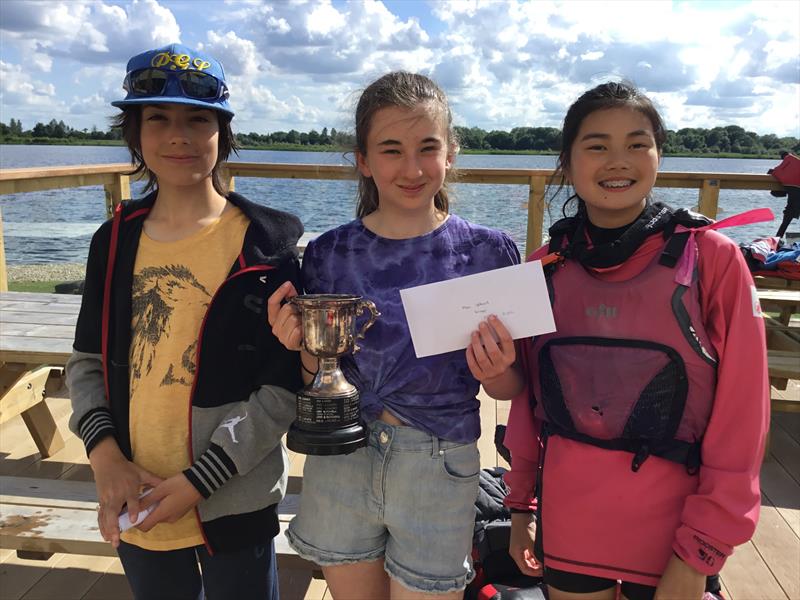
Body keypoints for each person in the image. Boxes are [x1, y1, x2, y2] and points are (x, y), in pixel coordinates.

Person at [479, 81, 770, 600]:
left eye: (638, 144)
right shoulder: (545, 268)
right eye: (597, 146)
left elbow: (743, 417)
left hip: (677, 533)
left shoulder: (711, 262)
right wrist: (521, 503)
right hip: (572, 521)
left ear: (659, 155)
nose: (619, 161)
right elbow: (529, 402)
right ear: (567, 163)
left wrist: (703, 548)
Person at [267, 71, 521, 599]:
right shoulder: (328, 254)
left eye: (427, 148)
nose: (412, 168)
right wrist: (300, 345)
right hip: (343, 458)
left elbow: (509, 390)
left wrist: (498, 370)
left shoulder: (488, 251)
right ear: (363, 160)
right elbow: (319, 375)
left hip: (439, 463)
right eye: (390, 150)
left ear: (450, 153)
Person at [66, 43, 303, 600]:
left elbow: (283, 386)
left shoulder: (268, 249)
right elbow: (86, 363)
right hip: (137, 494)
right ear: (135, 134)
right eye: (158, 119)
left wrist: (203, 479)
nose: (179, 136)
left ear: (223, 132)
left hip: (234, 495)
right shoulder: (114, 240)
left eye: (199, 119)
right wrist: (106, 458)